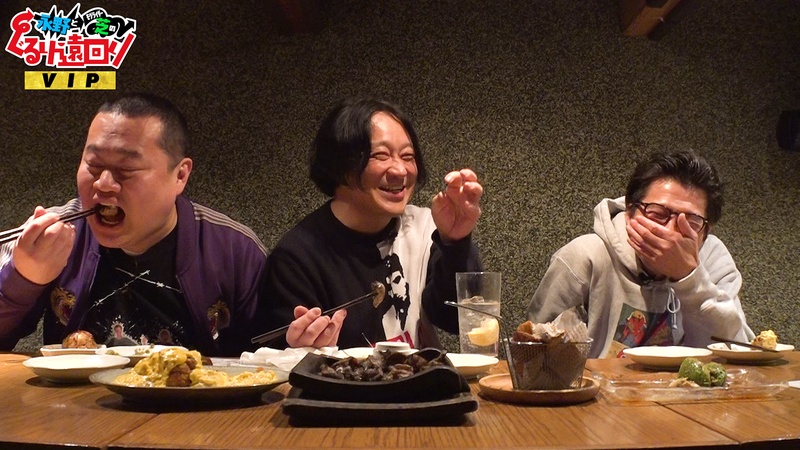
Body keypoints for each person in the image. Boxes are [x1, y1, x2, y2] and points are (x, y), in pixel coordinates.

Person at [0, 93, 267, 356]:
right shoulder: (48, 236)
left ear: (180, 175)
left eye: (126, 170)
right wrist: (23, 279)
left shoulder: (234, 249)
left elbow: (269, 359)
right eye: (93, 165)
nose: (103, 184)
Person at [259, 98, 484, 349]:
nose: (400, 170)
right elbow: (274, 358)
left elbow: (457, 320)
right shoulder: (297, 258)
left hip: (418, 376)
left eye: (408, 156)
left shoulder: (424, 229)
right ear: (340, 165)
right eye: (380, 155)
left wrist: (455, 243)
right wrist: (301, 349)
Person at [527, 151, 754, 358]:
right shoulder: (585, 257)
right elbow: (534, 357)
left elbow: (737, 354)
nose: (671, 232)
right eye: (658, 214)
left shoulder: (713, 258)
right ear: (630, 212)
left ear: (706, 231)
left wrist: (689, 278)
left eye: (691, 222)